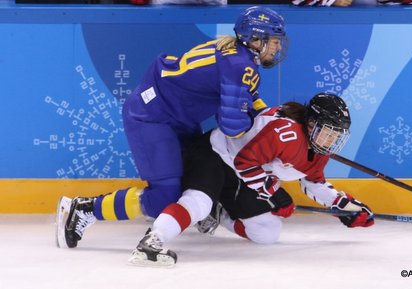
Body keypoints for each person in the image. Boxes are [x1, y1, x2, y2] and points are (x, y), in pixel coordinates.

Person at [56, 6, 289, 249]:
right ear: (255, 39)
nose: (278, 47)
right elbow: (232, 125)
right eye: (274, 41)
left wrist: (269, 117)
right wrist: (266, 141)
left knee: (196, 175)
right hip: (152, 118)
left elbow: (247, 97)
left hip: (173, 116)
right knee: (163, 198)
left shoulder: (236, 55)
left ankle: (207, 211)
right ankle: (83, 209)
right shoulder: (240, 64)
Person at [127, 93, 375, 267]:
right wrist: (274, 193)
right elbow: (245, 162)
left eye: (336, 134)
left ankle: (219, 214)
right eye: (328, 131)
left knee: (267, 232)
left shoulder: (319, 149)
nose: (330, 140)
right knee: (198, 203)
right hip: (214, 154)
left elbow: (313, 183)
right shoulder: (285, 133)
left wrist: (345, 207)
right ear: (311, 124)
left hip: (242, 174)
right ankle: (153, 239)